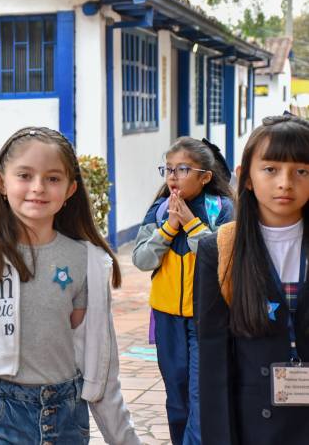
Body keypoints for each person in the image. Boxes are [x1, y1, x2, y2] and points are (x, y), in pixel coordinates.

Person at [0, 127, 141, 445]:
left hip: (67, 415)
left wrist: (124, 437)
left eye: (53, 178)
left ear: (70, 189)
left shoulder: (87, 261)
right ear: (2, 183)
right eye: (25, 175)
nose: (38, 188)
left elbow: (98, 358)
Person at [196, 114, 309, 445]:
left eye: (302, 170)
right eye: (271, 169)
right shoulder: (220, 248)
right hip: (255, 425)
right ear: (246, 178)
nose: (285, 182)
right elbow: (214, 362)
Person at [132, 137, 234, 445]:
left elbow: (222, 258)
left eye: (183, 169)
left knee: (202, 395)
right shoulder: (160, 210)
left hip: (208, 316)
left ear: (205, 176)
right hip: (167, 316)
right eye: (169, 169)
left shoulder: (222, 209)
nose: (173, 176)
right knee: (177, 398)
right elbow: (141, 259)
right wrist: (168, 227)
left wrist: (190, 224)